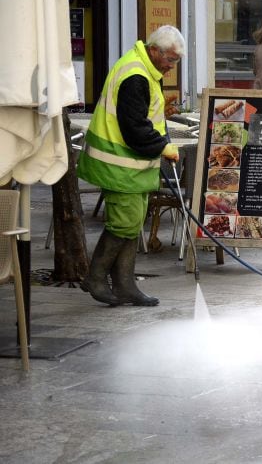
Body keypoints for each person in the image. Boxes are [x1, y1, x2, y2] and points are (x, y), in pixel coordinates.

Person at [77, 25, 184, 307]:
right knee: (124, 221)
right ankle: (96, 276)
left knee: (133, 221)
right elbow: (134, 126)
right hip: (116, 162)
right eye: (170, 60)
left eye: (175, 61)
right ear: (154, 50)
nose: (172, 67)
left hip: (129, 164)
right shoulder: (135, 76)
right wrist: (163, 146)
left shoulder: (145, 70)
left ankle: (125, 284)